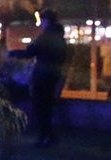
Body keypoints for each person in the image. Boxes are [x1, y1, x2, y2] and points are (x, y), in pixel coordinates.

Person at [10, 12, 68, 146]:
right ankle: (49, 136)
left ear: (47, 21)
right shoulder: (58, 37)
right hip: (53, 73)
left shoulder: (46, 37)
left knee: (41, 105)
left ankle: (46, 136)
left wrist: (15, 53)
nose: (40, 23)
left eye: (42, 20)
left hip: (43, 74)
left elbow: (32, 51)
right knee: (46, 105)